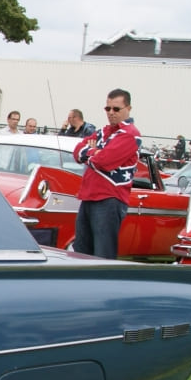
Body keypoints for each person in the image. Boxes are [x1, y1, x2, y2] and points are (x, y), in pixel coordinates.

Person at [71, 89, 141, 258]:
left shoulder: (130, 134)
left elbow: (104, 161)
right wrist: (94, 152)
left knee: (102, 254)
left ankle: (102, 285)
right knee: (80, 252)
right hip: (89, 196)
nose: (111, 113)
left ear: (128, 108)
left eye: (116, 109)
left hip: (109, 199)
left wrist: (92, 151)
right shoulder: (103, 132)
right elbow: (77, 151)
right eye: (107, 108)